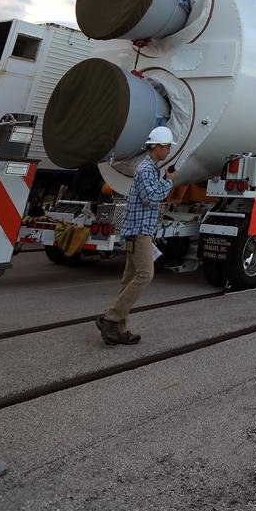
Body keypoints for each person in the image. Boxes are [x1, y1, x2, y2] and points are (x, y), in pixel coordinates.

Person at [96, 125, 177, 346]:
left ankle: (119, 330)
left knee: (129, 278)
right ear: (157, 147)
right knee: (145, 274)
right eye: (167, 147)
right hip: (139, 231)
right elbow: (151, 198)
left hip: (137, 230)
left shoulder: (149, 168)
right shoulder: (147, 169)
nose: (169, 151)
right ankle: (110, 318)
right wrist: (169, 181)